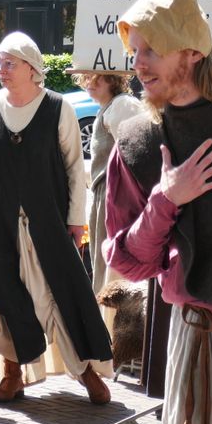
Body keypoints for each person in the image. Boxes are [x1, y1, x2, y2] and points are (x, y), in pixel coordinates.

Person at [104, 0, 212, 424]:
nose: (139, 64)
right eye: (134, 51)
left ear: (193, 49)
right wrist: (167, 199)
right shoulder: (139, 145)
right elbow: (128, 261)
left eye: (152, 49)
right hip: (200, 341)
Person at [0, 31, 113, 405]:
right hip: (1, 224)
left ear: (32, 69)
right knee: (6, 296)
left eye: (9, 62)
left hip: (48, 221)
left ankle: (86, 371)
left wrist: (75, 219)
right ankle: (13, 374)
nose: (1, 69)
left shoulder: (57, 107)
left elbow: (73, 169)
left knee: (61, 294)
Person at [65, 69, 143, 295]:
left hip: (118, 198)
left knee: (113, 271)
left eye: (99, 76)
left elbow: (136, 154)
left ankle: (114, 325)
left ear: (114, 78)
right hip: (106, 197)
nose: (91, 81)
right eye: (87, 76)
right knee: (104, 267)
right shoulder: (107, 108)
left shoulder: (122, 105)